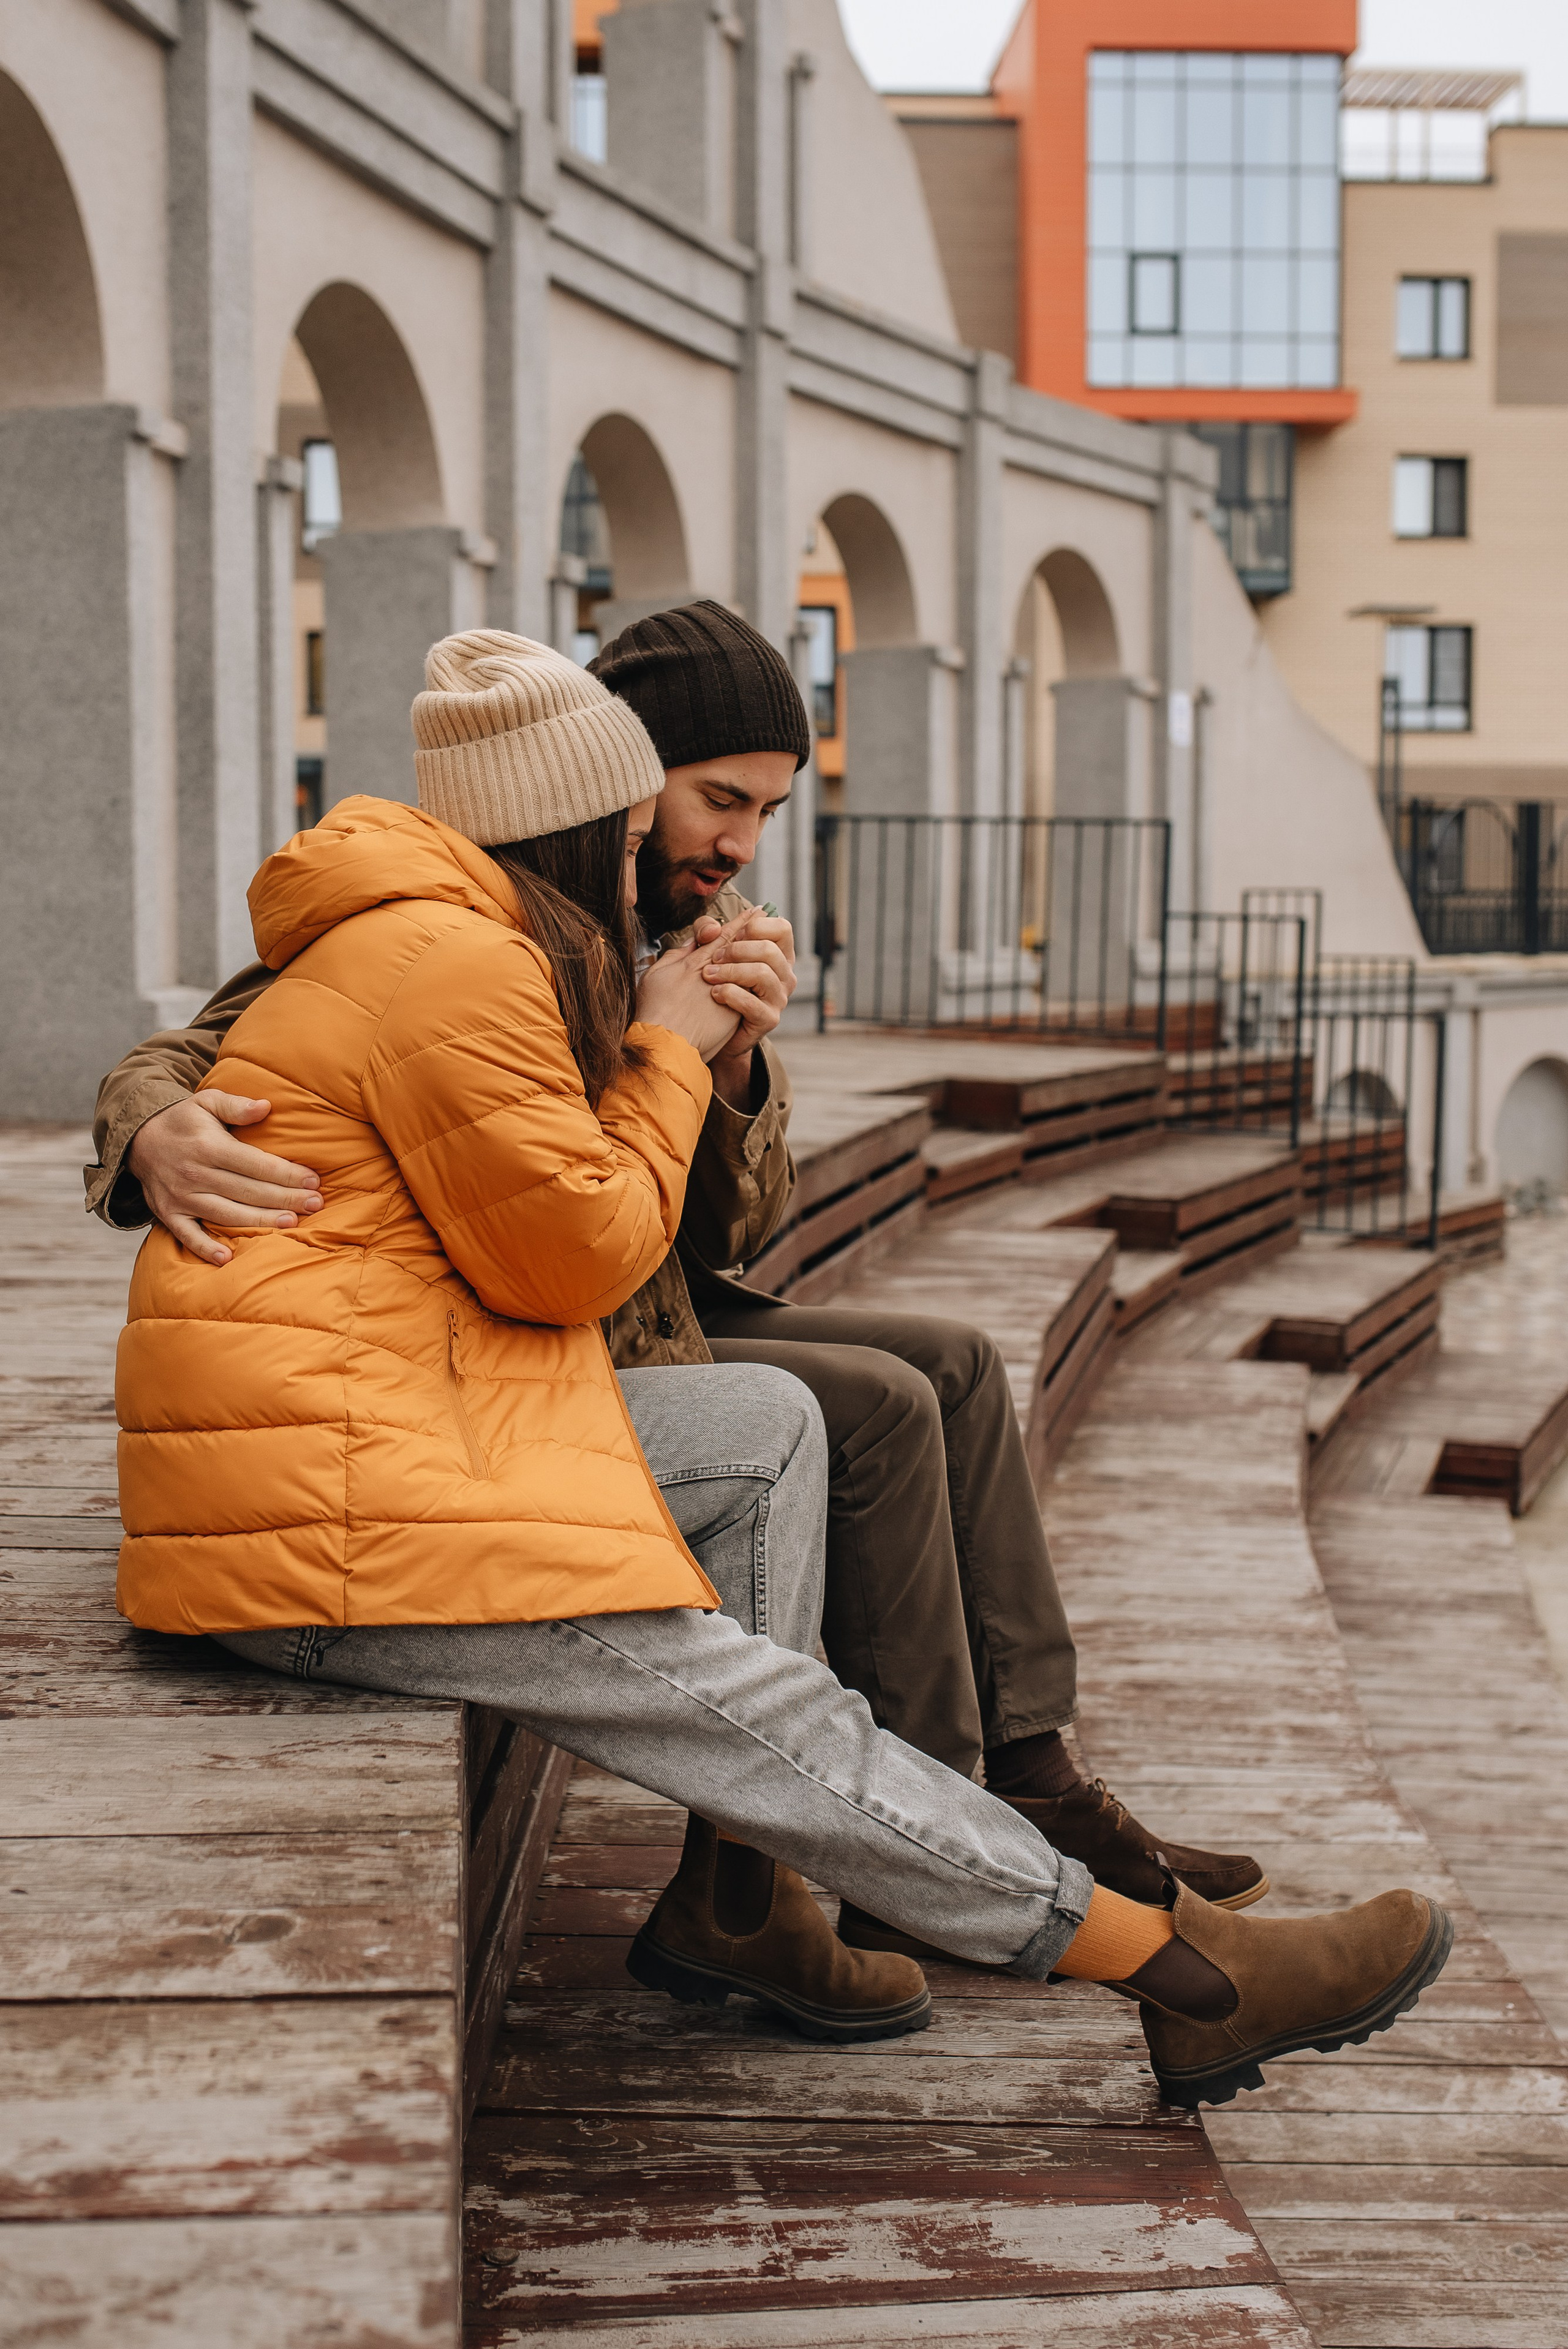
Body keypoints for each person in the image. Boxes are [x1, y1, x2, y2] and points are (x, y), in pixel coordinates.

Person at [110, 629, 1450, 2107]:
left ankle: (789, 1878)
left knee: (791, 1419)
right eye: (693, 804)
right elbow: (531, 1231)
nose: (723, 845)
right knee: (766, 1676)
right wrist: (151, 1124)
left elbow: (711, 1220)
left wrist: (725, 1060)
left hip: (430, 1394)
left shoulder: (483, 919)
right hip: (359, 1490)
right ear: (600, 796)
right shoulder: (455, 941)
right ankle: (1178, 1969)